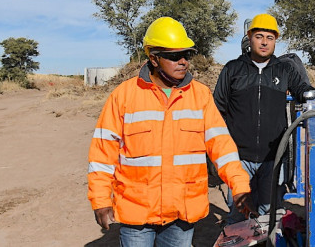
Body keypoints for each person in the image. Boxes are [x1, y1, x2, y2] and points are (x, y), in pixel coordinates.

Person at [87, 16, 254, 247]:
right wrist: (100, 199)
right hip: (137, 213)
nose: (183, 61)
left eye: (186, 54)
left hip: (182, 212)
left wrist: (240, 187)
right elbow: (102, 154)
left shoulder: (200, 96)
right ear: (154, 58)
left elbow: (222, 146)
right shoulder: (124, 96)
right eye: (174, 56)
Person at [213, 13, 315, 225]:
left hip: (273, 157)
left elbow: (301, 90)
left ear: (275, 40)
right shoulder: (233, 69)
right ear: (249, 37)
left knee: (269, 214)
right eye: (259, 36)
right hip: (238, 157)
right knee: (238, 214)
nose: (264, 42)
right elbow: (217, 109)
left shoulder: (284, 69)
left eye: (270, 37)